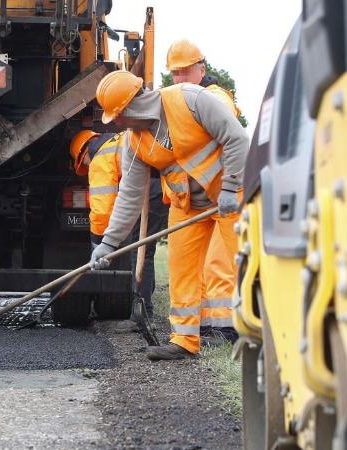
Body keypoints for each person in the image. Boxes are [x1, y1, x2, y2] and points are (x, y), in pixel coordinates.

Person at [90, 69, 248, 361]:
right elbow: (129, 196)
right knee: (181, 270)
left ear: (131, 107)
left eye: (118, 117)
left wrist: (231, 187)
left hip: (230, 198)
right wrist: (108, 244)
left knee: (247, 263)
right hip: (187, 206)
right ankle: (185, 341)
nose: (117, 124)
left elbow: (237, 138)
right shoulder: (134, 143)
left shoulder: (191, 99)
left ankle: (268, 334)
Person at [167, 39, 240, 343]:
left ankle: (234, 327)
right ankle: (206, 326)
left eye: (185, 71)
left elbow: (230, 141)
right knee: (192, 265)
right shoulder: (175, 101)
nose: (180, 79)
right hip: (196, 199)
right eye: (175, 74)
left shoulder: (214, 98)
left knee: (220, 264)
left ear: (202, 68)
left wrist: (228, 188)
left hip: (227, 193)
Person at [69, 130, 168, 332]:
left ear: (84, 153)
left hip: (152, 186)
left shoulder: (100, 156)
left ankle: (142, 315)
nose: (87, 166)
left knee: (141, 251)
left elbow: (103, 207)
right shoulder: (115, 142)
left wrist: (98, 243)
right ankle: (143, 311)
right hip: (160, 182)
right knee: (143, 250)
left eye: (84, 164)